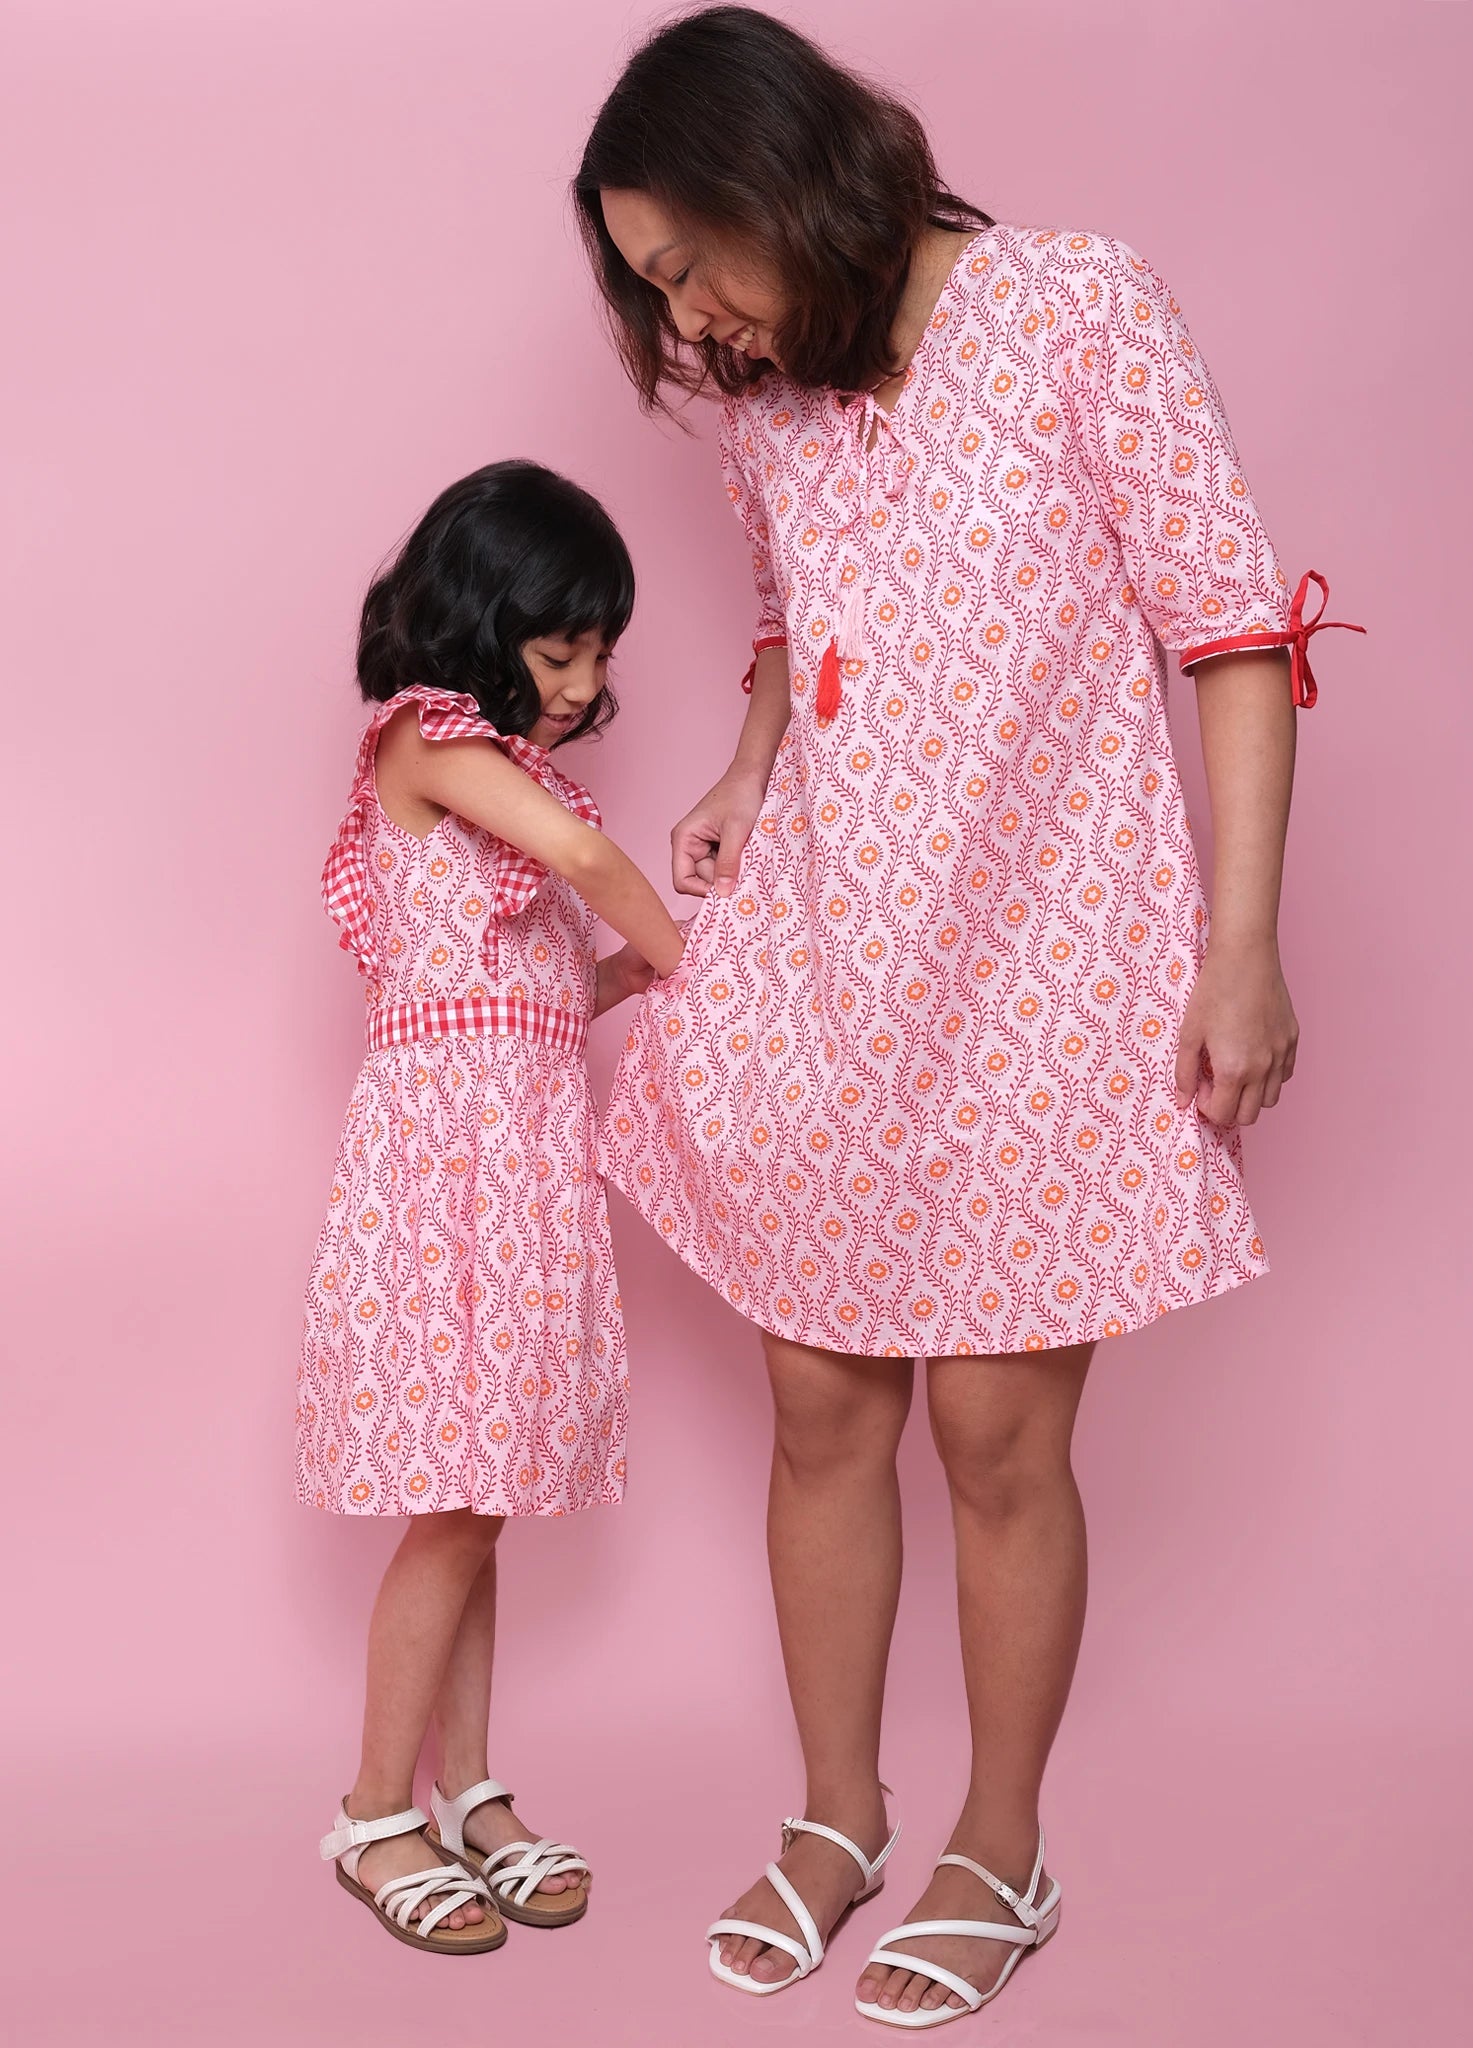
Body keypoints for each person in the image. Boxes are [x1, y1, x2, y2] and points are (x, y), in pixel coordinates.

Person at [577, 6, 1360, 2027]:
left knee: (1004, 1430)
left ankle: (996, 1843)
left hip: (1047, 957)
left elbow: (1228, 621)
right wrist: (754, 762)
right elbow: (790, 619)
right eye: (652, 290)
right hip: (835, 952)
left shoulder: (1074, 303)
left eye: (690, 266)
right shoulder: (776, 408)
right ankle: (839, 1811)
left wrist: (1245, 942)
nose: (692, 324)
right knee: (822, 1402)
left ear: (777, 175)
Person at [297, 460, 684, 1954]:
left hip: (521, 1162)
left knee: (487, 1499)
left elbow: (525, 995)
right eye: (562, 649)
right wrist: (697, 963)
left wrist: (621, 976)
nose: (588, 684)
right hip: (444, 1175)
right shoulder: (422, 740)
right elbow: (584, 858)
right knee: (449, 1509)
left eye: (601, 656)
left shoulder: (511, 785)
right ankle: (373, 1812)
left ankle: (470, 1792)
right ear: (481, 621)